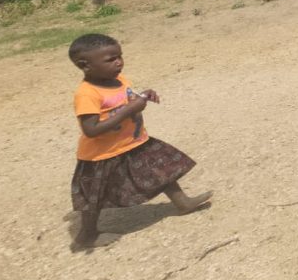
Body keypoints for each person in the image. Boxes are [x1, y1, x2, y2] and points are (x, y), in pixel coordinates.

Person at [68, 34, 211, 250]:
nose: (119, 62)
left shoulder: (119, 80)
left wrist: (143, 95)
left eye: (119, 56)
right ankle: (86, 237)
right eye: (110, 59)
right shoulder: (87, 94)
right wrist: (130, 109)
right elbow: (91, 130)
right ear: (85, 65)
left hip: (134, 143)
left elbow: (126, 97)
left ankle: (182, 203)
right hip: (102, 155)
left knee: (162, 170)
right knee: (94, 198)